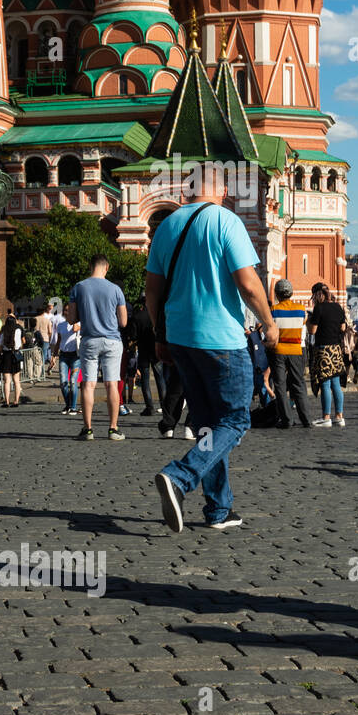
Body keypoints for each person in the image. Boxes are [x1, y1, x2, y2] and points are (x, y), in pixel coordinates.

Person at [146, 182, 277, 532]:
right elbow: (248, 284)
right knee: (235, 421)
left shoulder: (166, 226)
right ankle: (180, 476)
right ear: (217, 188)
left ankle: (218, 509)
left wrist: (161, 336)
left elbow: (152, 291)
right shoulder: (225, 221)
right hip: (221, 339)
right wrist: (268, 322)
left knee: (207, 423)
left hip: (180, 339)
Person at [69, 254, 128, 441]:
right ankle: (113, 429)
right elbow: (124, 321)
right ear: (107, 267)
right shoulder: (116, 289)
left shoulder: (79, 287)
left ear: (90, 266)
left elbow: (71, 319)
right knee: (111, 383)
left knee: (88, 384)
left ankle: (87, 429)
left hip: (90, 340)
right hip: (112, 341)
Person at [268, 279, 313, 429]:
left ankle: (286, 419)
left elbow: (269, 331)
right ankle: (306, 419)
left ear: (277, 294)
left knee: (280, 386)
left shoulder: (273, 310)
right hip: (296, 350)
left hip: (278, 351)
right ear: (291, 293)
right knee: (298, 384)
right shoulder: (301, 309)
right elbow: (303, 322)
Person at [307, 285, 347, 427]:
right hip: (336, 348)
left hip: (323, 349)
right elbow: (343, 328)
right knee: (336, 383)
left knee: (324, 382)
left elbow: (312, 330)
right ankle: (339, 416)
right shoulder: (338, 307)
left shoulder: (319, 308)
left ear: (317, 295)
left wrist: (309, 320)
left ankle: (326, 417)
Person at [50, 312, 80, 415]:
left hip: (75, 356)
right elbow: (58, 341)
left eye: (70, 310)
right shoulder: (61, 325)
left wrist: (74, 319)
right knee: (63, 382)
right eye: (66, 310)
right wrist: (54, 356)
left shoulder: (79, 323)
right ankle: (68, 405)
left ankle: (73, 406)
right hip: (63, 355)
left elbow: (75, 329)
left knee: (72, 381)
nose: (68, 312)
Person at [0, 308, 23, 407]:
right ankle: (16, 401)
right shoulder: (17, 330)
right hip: (15, 354)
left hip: (6, 355)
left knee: (7, 381)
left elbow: (0, 344)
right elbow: (19, 344)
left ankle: (7, 401)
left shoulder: (4, 331)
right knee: (16, 380)